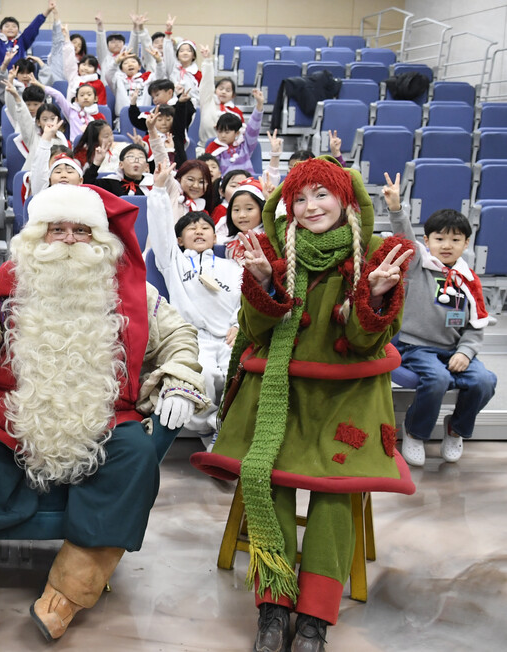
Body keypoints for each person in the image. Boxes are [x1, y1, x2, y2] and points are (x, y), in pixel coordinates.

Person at [0, 182, 208, 651]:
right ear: (38, 236)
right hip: (5, 407)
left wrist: (179, 377)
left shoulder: (137, 292)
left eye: (82, 230)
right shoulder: (2, 283)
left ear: (101, 240)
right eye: (58, 229)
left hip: (98, 411)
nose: (71, 240)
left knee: (135, 453)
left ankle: (69, 592)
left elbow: (178, 336)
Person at [191, 157, 417, 652]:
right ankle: (273, 606)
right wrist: (264, 284)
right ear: (286, 205)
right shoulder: (272, 250)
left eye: (321, 194)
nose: (310, 206)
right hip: (280, 395)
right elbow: (254, 333)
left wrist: (376, 296)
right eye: (299, 198)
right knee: (268, 475)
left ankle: (314, 618)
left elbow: (363, 344)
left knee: (335, 494)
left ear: (345, 199)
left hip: (347, 402)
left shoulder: (375, 255)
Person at [384, 173, 497, 466]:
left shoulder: (468, 279)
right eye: (439, 238)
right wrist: (396, 209)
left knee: (485, 381)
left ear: (466, 243)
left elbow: (475, 326)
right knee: (438, 378)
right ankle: (414, 431)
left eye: (455, 239)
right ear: (427, 240)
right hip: (416, 348)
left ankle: (455, 428)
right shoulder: (418, 266)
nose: (447, 245)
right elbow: (403, 236)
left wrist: (465, 351)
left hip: (453, 351)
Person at [146, 162, 242, 449]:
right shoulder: (173, 262)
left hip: (228, 336)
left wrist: (238, 324)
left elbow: (246, 298)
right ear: (179, 238)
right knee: (206, 375)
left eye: (205, 227)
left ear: (216, 237)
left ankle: (232, 433)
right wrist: (160, 191)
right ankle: (212, 431)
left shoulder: (233, 266)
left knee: (238, 374)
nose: (199, 231)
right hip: (194, 337)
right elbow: (160, 232)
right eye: (191, 228)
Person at [0, 0, 55, 74]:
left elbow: (34, 27)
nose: (10, 28)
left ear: (18, 30)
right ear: (1, 30)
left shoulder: (22, 41)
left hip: (18, 81)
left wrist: (47, 11)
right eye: (7, 26)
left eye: (14, 26)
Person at [204, 89, 265, 176]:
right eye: (220, 131)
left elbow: (253, 128)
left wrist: (259, 105)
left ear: (237, 133)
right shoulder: (213, 148)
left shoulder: (245, 145)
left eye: (227, 132)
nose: (223, 135)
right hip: (224, 185)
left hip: (247, 183)